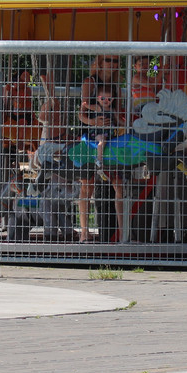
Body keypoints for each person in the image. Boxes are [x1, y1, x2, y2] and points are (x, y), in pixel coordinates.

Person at [77, 55, 121, 241]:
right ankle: (84, 232)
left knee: (119, 183)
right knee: (87, 186)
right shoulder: (91, 82)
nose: (113, 64)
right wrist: (94, 120)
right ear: (100, 63)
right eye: (109, 60)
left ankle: (123, 233)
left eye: (116, 61)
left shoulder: (116, 85)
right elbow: (82, 111)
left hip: (111, 137)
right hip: (91, 136)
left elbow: (119, 114)